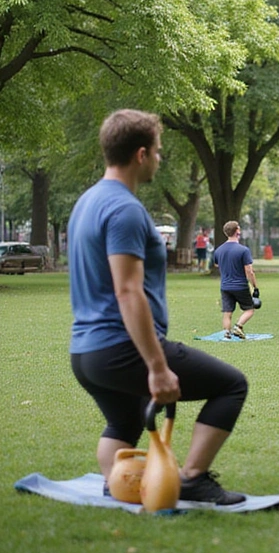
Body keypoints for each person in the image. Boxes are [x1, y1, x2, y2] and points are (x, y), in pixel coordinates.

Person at [68, 109, 249, 506]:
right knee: (231, 385)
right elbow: (127, 291)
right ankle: (192, 479)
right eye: (158, 151)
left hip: (85, 353)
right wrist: (157, 366)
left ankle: (116, 484)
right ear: (141, 154)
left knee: (125, 419)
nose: (159, 159)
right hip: (121, 348)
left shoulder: (86, 202)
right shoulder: (125, 209)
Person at [212, 221, 259, 340]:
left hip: (225, 286)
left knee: (227, 313)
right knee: (249, 309)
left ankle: (226, 334)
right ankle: (238, 326)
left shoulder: (218, 250)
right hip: (240, 286)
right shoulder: (243, 250)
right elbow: (249, 271)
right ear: (237, 231)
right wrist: (255, 286)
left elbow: (217, 265)